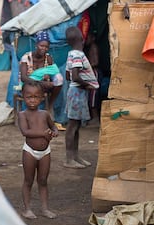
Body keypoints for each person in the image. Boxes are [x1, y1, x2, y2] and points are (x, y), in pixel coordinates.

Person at [17, 80, 58, 219]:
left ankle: (45, 209)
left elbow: (54, 127)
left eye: (36, 97)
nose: (32, 100)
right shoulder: (23, 114)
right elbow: (25, 132)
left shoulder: (45, 114)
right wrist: (43, 134)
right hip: (29, 152)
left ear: (42, 97)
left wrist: (55, 132)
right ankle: (27, 209)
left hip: (45, 152)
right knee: (28, 180)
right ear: (23, 96)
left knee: (43, 180)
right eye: (29, 97)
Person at [64, 26, 99, 169]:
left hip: (77, 92)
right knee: (73, 126)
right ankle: (69, 159)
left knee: (76, 125)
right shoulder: (78, 54)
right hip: (78, 92)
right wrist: (88, 85)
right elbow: (75, 76)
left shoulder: (71, 54)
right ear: (82, 39)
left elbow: (68, 75)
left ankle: (75, 156)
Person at [19, 30, 64, 123]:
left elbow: (55, 73)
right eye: (41, 46)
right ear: (36, 45)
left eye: (46, 47)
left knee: (59, 79)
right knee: (33, 90)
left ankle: (50, 105)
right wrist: (41, 83)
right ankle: (33, 118)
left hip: (43, 86)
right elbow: (24, 78)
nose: (44, 48)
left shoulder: (48, 58)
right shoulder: (26, 57)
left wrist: (49, 80)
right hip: (28, 85)